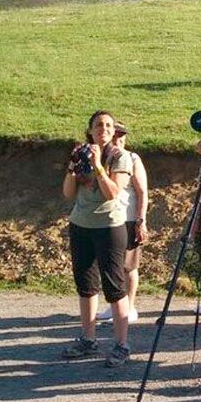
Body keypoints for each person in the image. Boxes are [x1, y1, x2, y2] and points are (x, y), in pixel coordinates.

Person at [60, 111, 135, 367]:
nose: (103, 129)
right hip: (81, 225)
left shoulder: (120, 157)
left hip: (109, 227)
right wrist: (73, 166)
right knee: (86, 285)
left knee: (115, 287)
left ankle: (122, 345)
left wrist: (99, 166)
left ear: (114, 131)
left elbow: (113, 193)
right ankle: (88, 339)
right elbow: (68, 193)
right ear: (90, 130)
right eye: (98, 125)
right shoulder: (81, 154)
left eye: (108, 125)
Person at [96, 121, 148, 324]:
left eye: (122, 135)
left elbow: (142, 192)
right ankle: (115, 304)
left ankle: (131, 307)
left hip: (128, 217)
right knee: (112, 266)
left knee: (129, 266)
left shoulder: (133, 159)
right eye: (115, 135)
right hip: (108, 218)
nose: (118, 139)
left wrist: (140, 220)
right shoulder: (104, 159)